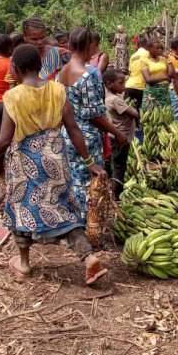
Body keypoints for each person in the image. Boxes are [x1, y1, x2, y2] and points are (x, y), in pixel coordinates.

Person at [0, 44, 107, 284]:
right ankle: (88, 258)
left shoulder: (13, 96)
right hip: (56, 158)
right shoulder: (58, 90)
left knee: (21, 209)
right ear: (40, 67)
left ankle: (24, 263)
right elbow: (73, 129)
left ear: (15, 69)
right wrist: (89, 161)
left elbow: (4, 139)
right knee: (64, 207)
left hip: (25, 161)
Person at [59, 28, 128, 215]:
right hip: (87, 137)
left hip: (68, 133)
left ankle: (74, 221)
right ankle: (87, 225)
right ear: (90, 46)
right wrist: (117, 132)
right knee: (90, 184)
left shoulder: (63, 71)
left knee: (74, 180)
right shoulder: (87, 75)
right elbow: (95, 115)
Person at [103, 68, 137, 198]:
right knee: (119, 168)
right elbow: (134, 114)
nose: (124, 86)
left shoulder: (107, 97)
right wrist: (132, 107)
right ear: (110, 84)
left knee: (114, 166)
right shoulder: (116, 100)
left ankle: (111, 192)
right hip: (121, 138)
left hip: (112, 137)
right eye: (121, 83)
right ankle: (117, 196)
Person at [140, 38, 174, 111]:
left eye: (161, 49)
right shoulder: (144, 60)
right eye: (157, 48)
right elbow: (148, 79)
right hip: (152, 93)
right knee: (151, 116)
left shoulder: (163, 59)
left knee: (165, 116)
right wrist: (165, 77)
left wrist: (168, 58)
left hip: (164, 92)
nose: (160, 50)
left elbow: (171, 74)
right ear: (149, 48)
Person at [124, 35, 149, 110]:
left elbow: (130, 72)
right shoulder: (148, 54)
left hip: (129, 85)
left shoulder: (133, 56)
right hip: (140, 87)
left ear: (137, 45)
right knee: (141, 113)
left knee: (129, 113)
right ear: (147, 44)